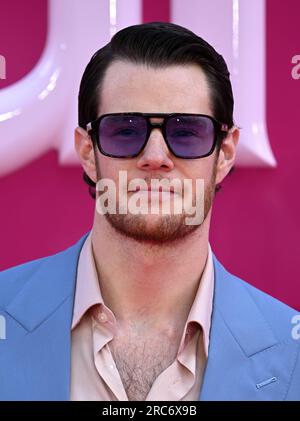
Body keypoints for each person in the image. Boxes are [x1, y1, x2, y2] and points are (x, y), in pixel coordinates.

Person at [0, 22, 299, 401]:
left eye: (187, 133)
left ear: (224, 154)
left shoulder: (293, 353)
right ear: (89, 152)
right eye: (124, 131)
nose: (155, 158)